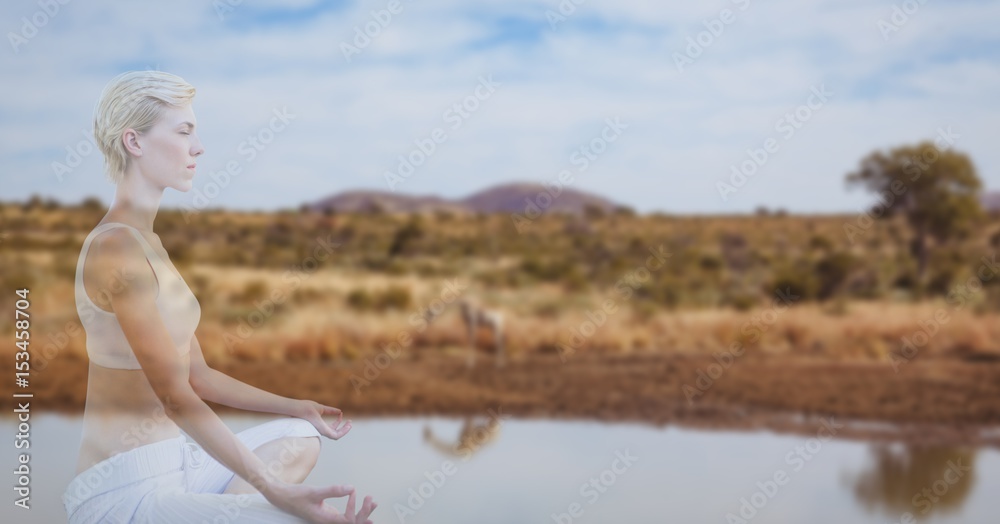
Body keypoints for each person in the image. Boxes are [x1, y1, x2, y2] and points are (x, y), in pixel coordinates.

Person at [61, 70, 377, 523]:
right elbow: (174, 396)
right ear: (134, 142)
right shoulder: (116, 248)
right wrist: (275, 494)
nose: (199, 147)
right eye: (184, 131)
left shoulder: (147, 242)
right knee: (291, 514)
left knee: (299, 434)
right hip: (122, 491)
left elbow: (200, 379)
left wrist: (299, 406)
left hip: (179, 466)